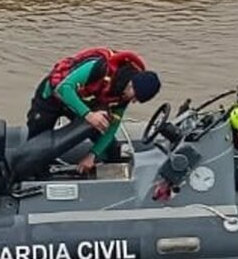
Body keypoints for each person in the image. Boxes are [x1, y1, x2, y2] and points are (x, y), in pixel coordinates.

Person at [27, 47, 161, 174]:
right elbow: (64, 88)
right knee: (36, 147)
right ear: (131, 85)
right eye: (135, 97)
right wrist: (89, 115)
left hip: (82, 102)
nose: (133, 101)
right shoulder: (99, 68)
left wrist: (93, 155)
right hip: (53, 97)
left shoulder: (122, 96)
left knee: (111, 149)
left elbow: (112, 128)